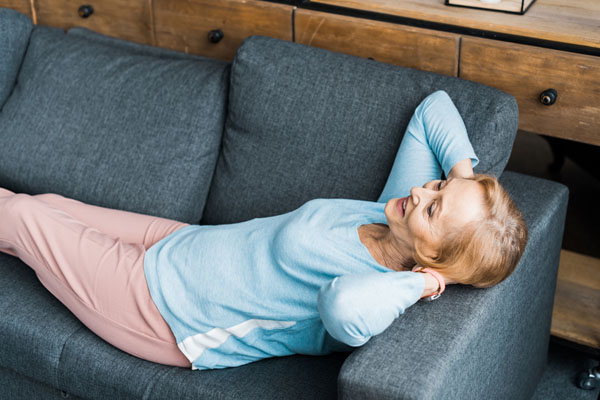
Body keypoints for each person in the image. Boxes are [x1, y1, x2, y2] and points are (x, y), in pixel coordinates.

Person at [0, 90, 527, 371]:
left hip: (161, 310)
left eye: (434, 210)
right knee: (43, 205)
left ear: (430, 259)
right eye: (434, 186)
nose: (421, 193)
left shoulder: (377, 287)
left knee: (21, 217)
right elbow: (433, 108)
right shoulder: (393, 212)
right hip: (178, 241)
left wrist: (425, 282)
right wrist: (463, 182)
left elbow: (342, 310)